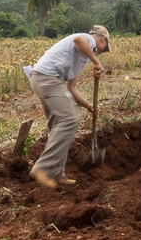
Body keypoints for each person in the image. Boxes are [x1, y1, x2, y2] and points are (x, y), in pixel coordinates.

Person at [28, 26, 111, 188]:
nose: (101, 53)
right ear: (103, 39)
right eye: (103, 49)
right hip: (47, 79)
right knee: (70, 120)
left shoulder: (80, 57)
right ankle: (41, 169)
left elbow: (71, 88)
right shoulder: (85, 39)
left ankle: (57, 173)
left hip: (45, 80)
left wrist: (88, 106)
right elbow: (77, 40)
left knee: (58, 126)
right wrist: (96, 61)